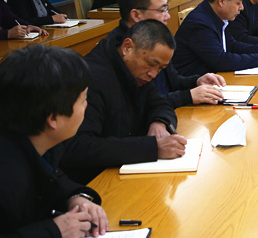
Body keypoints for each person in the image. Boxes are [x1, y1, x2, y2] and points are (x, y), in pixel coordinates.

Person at [0, 45, 109, 238]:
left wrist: (77, 197)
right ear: (53, 118)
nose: (87, 106)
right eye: (83, 100)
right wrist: (54, 234)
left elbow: (50, 176)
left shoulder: (24, 134)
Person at [61, 20, 186, 184]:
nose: (154, 74)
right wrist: (151, 148)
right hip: (94, 181)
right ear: (128, 47)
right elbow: (79, 147)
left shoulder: (137, 72)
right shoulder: (91, 80)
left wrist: (159, 123)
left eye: (161, 69)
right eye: (151, 64)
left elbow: (160, 103)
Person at [97, 0, 227, 108]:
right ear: (136, 15)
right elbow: (140, 105)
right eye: (162, 10)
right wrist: (187, 96)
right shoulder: (120, 51)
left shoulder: (157, 39)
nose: (168, 16)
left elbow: (173, 81)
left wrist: (197, 81)